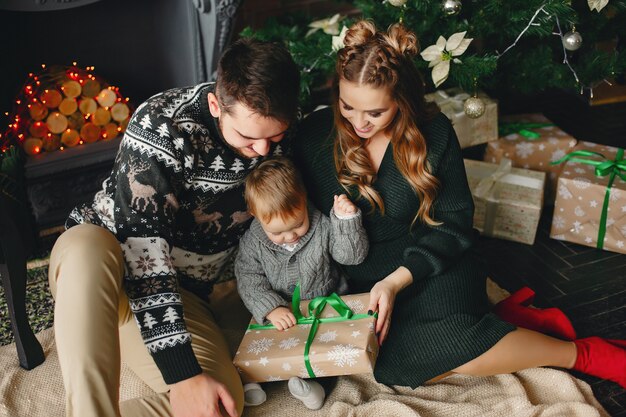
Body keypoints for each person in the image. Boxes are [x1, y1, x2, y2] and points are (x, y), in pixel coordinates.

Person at [292, 20, 626, 391]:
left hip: (432, 262)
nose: (358, 123)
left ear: (401, 100)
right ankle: (502, 323)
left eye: (375, 113)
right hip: (364, 280)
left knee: (448, 345)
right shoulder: (312, 136)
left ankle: (581, 353)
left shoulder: (433, 133)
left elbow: (454, 223)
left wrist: (395, 281)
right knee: (394, 369)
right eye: (348, 107)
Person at [47, 37, 300, 417]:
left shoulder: (282, 135)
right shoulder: (162, 125)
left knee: (223, 399)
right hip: (104, 271)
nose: (263, 151)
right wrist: (181, 374)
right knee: (86, 245)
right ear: (216, 105)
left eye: (274, 136)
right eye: (248, 137)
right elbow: (142, 251)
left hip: (183, 293)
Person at [234, 156, 368, 410]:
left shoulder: (322, 226)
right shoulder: (253, 241)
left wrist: (346, 222)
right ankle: (254, 381)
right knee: (264, 346)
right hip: (280, 311)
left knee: (327, 352)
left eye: (297, 225)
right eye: (276, 232)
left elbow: (351, 257)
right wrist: (271, 308)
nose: (288, 237)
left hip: (323, 307)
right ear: (256, 215)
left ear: (304, 202)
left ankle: (315, 388)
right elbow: (248, 277)